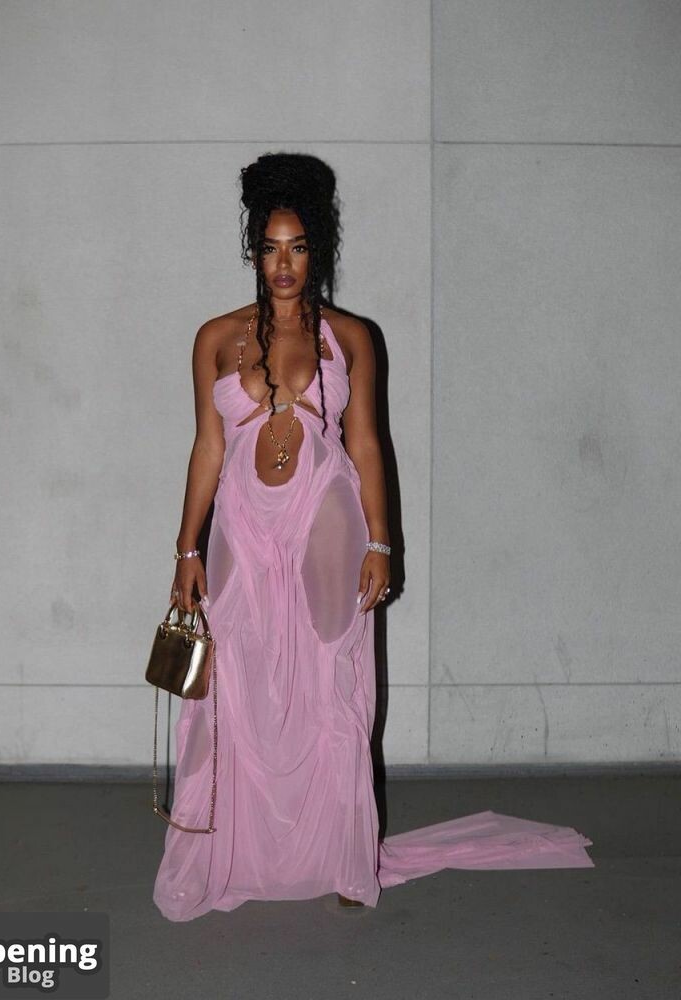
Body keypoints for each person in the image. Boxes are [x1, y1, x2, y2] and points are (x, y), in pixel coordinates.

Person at [153, 152, 594, 922]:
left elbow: (365, 443)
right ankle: (244, 853)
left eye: (298, 247)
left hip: (326, 528)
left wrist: (381, 542)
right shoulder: (215, 338)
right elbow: (207, 447)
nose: (283, 264)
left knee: (331, 688)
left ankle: (341, 856)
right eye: (270, 247)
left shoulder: (352, 337)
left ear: (317, 251)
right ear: (252, 251)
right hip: (243, 533)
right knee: (240, 689)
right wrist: (186, 548)